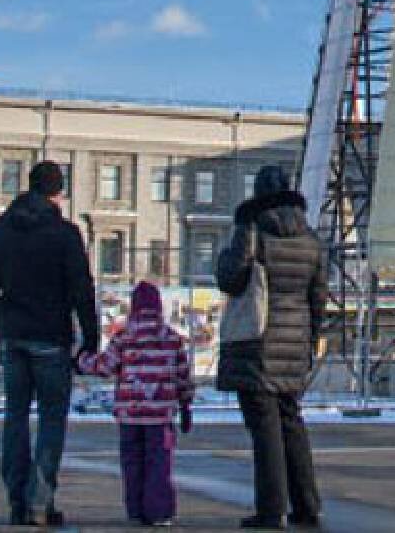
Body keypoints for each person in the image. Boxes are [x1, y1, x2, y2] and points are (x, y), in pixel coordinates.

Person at [0, 160, 99, 528]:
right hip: (50, 337)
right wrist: (91, 337)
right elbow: (81, 288)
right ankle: (39, 501)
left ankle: (17, 499)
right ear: (57, 192)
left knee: (15, 417)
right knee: (51, 421)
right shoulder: (65, 234)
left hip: (12, 334)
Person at [215, 164, 326, 530]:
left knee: (265, 428)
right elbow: (318, 298)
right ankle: (308, 505)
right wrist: (311, 341)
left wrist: (226, 252)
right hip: (295, 344)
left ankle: (271, 509)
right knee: (291, 421)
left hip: (258, 341)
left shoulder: (253, 232)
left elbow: (230, 280)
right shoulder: (311, 239)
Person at [77, 280, 194, 528]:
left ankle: (136, 510)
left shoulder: (124, 337)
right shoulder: (171, 338)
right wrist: (185, 405)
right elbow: (183, 376)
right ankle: (159, 511)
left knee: (132, 462)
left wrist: (82, 360)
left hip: (129, 415)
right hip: (160, 416)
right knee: (159, 463)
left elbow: (105, 367)